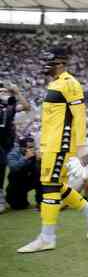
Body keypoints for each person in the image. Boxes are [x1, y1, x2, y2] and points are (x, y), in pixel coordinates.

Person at [17, 47, 88, 253]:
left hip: (60, 144)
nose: (44, 64)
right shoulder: (55, 83)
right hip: (51, 144)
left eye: (48, 61)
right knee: (56, 185)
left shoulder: (70, 83)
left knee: (49, 185)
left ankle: (47, 237)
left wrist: (82, 146)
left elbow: (80, 115)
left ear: (60, 62)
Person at [0, 82, 31, 213]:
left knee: (11, 170)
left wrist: (16, 93)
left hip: (9, 142)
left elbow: (26, 107)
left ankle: (11, 196)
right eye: (1, 92)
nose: (3, 94)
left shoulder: (10, 105)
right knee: (0, 168)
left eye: (4, 92)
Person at [6, 136, 42, 210]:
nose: (32, 149)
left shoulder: (35, 153)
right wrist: (25, 158)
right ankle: (14, 199)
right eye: (29, 147)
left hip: (30, 180)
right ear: (21, 147)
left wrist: (40, 161)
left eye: (33, 147)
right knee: (18, 206)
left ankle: (41, 203)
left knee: (42, 177)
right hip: (17, 182)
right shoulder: (13, 154)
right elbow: (14, 168)